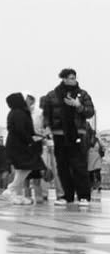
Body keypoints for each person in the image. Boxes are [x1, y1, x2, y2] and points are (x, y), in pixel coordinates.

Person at [40, 69, 97, 206]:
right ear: (64, 79)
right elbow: (46, 114)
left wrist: (79, 106)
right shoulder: (52, 95)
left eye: (74, 78)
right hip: (59, 134)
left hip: (77, 134)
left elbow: (90, 112)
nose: (74, 80)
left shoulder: (82, 94)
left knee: (79, 166)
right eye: (71, 78)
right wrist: (47, 126)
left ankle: (84, 196)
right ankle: (67, 196)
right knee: (62, 166)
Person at [3, 91, 42, 204]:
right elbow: (21, 130)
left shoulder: (15, 112)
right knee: (28, 166)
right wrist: (31, 140)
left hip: (16, 145)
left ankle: (14, 192)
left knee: (22, 168)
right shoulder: (20, 113)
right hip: (19, 145)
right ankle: (11, 189)